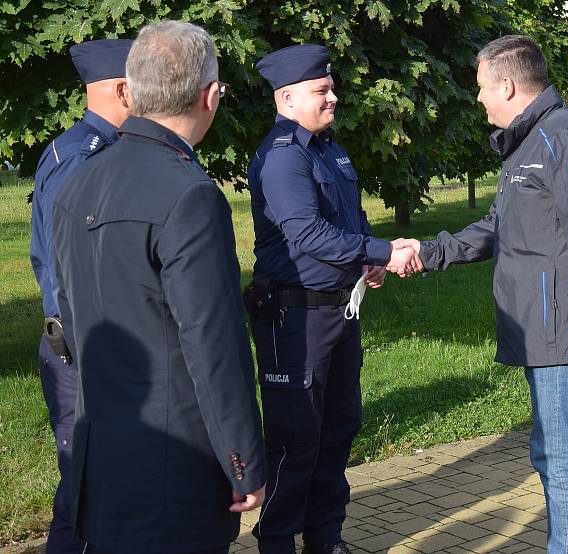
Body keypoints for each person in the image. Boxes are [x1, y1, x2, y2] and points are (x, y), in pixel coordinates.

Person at [392, 35, 568, 553]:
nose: (477, 98)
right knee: (551, 452)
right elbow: (500, 227)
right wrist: (427, 251)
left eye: (481, 87)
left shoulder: (563, 135)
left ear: (507, 84)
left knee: (563, 458)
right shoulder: (529, 140)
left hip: (562, 332)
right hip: (540, 326)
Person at [51, 21, 266, 553]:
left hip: (101, 449)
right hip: (175, 463)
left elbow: (76, 324)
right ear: (210, 96)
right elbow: (213, 344)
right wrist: (244, 461)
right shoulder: (189, 193)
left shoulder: (75, 180)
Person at [245, 45, 417, 554]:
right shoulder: (282, 158)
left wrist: (369, 260)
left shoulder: (328, 150)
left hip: (339, 311)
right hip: (294, 320)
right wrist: (386, 249)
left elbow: (349, 221)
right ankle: (276, 542)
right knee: (294, 443)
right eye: (322, 91)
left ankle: (325, 540)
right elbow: (308, 235)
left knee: (338, 429)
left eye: (330, 87)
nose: (333, 97)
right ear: (287, 97)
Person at [29, 38, 131, 553]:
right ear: (122, 88)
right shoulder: (84, 158)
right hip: (83, 348)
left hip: (85, 343)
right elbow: (71, 268)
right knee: (87, 485)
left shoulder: (83, 148)